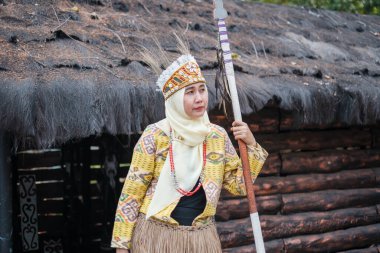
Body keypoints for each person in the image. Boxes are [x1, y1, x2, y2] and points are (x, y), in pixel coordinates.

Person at [111, 50, 268, 253]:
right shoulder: (156, 136)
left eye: (202, 90)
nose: (199, 98)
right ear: (175, 99)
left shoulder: (216, 137)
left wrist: (251, 144)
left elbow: (239, 186)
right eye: (190, 92)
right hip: (157, 239)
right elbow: (131, 195)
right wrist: (122, 247)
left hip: (201, 241)